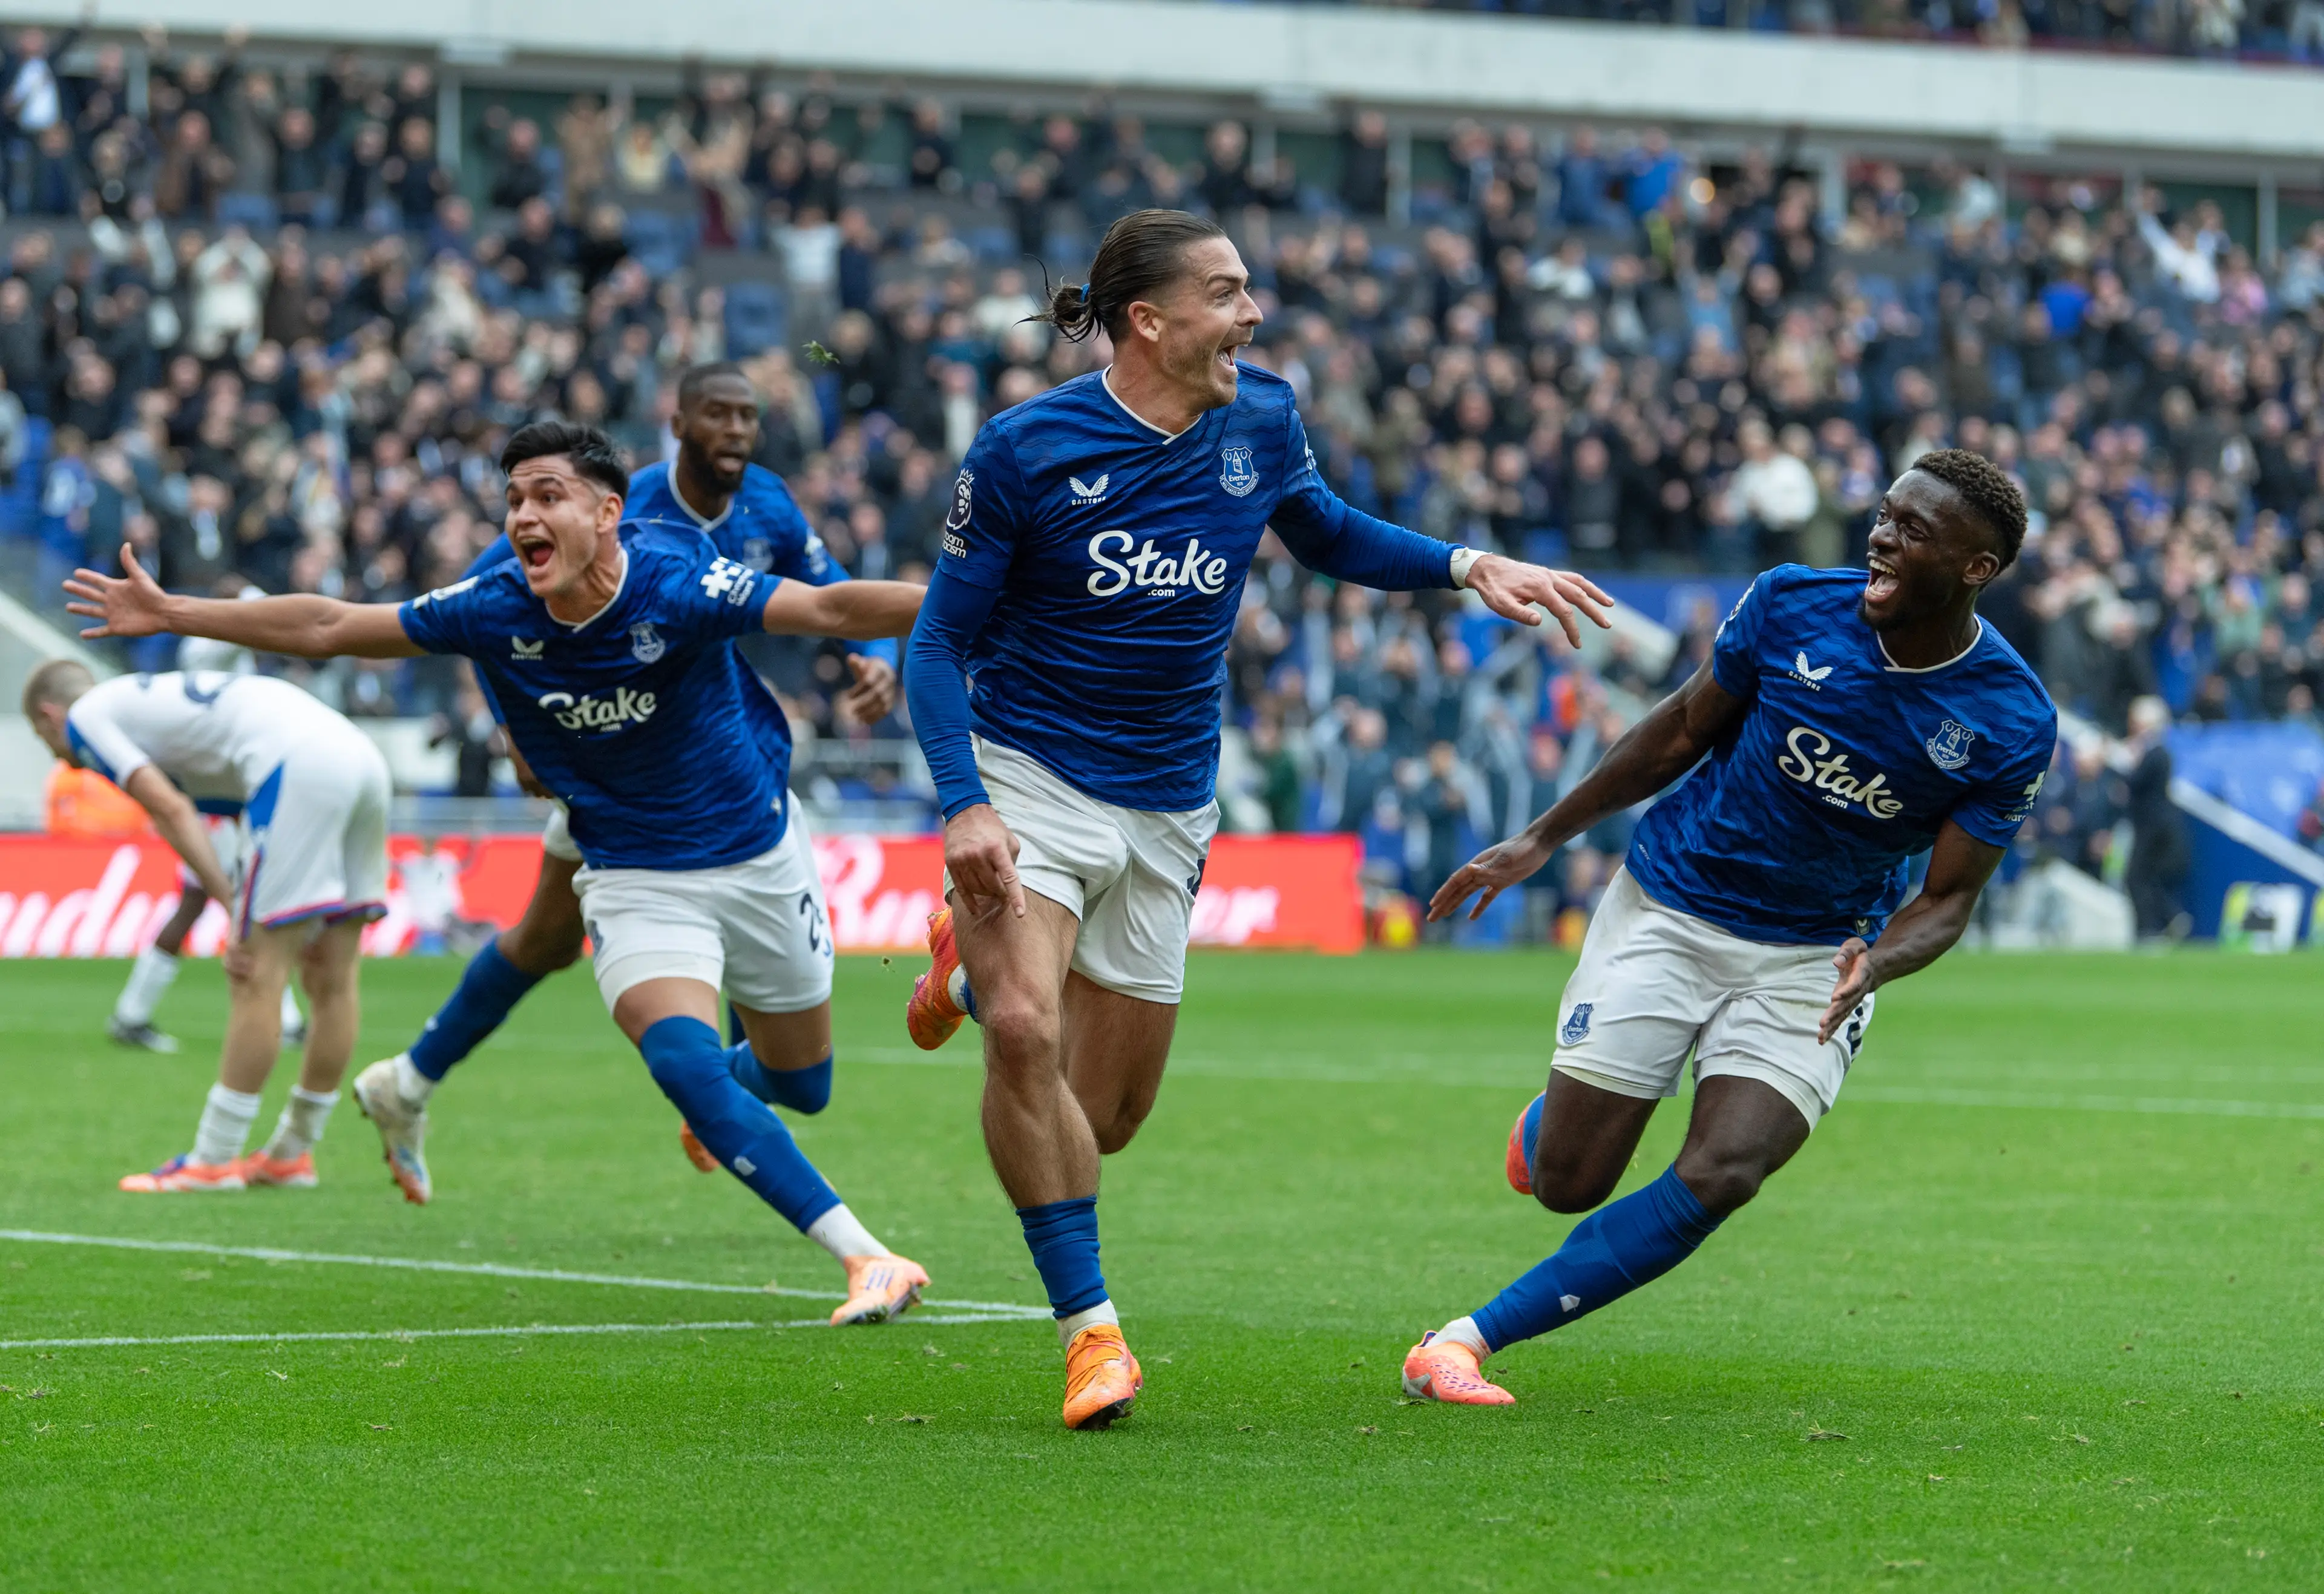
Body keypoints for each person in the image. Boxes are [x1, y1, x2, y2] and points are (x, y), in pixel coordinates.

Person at [899, 208, 1609, 1429]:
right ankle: (1092, 1337)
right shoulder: (1024, 450)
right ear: (1150, 320)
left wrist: (1460, 565)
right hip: (1033, 780)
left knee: (1107, 1122)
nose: (1254, 313)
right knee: (1027, 1038)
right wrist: (965, 805)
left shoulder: (1261, 417)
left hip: (1172, 799)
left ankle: (965, 966)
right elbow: (936, 643)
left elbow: (1325, 531)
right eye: (1228, 294)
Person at [67, 421, 936, 1328]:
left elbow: (834, 611)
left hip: (760, 854)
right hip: (634, 874)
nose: (525, 513)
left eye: (548, 495)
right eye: (515, 497)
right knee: (677, 1054)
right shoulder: (493, 606)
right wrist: (175, 613)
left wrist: (993, 591)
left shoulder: (678, 581)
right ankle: (866, 1256)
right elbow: (329, 624)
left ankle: (715, 1099)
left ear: (609, 513)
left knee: (804, 1086)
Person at [1400, 450, 2055, 1407]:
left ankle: (1459, 1342)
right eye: (1884, 514)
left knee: (1727, 1169)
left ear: (1975, 569)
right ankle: (1549, 1132)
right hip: (1672, 909)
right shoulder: (1793, 602)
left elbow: (1950, 898)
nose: (1882, 535)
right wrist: (1540, 837)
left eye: (1914, 530)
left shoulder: (2009, 717)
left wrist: (1875, 964)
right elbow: (1678, 730)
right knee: (1570, 1182)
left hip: (1818, 954)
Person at [352, 364, 897, 1203]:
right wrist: (515, 731)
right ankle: (424, 1081)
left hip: (716, 759)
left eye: (749, 417)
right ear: (678, 424)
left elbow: (832, 597)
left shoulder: (770, 505)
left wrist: (875, 661)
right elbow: (495, 613)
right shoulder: (604, 505)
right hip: (612, 764)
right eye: (718, 415)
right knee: (546, 939)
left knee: (551, 941)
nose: (738, 432)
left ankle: (417, 1081)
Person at [23, 660, 390, 1193]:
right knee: (333, 977)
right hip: (359, 757)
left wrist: (232, 905)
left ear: (49, 715)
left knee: (254, 971)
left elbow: (171, 810)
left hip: (298, 765)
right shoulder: (147, 704)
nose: (57, 754)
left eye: (45, 738)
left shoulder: (87, 719)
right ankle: (292, 1152)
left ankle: (213, 1159)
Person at [110, 577, 307, 1054]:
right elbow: (244, 629)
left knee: (200, 904)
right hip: (217, 805)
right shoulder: (204, 647)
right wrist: (254, 603)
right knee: (249, 904)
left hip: (220, 799)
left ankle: (131, 1013)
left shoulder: (213, 647)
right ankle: (286, 1019)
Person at [2121, 695, 2190, 940]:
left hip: (2152, 826)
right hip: (2158, 825)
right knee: (2145, 877)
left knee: (2135, 877)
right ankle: (2170, 916)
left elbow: (2136, 782)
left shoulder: (2154, 753)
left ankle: (2149, 929)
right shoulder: (2161, 752)